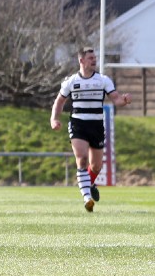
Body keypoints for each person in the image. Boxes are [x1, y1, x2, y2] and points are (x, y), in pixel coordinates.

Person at [51, 47, 132, 212]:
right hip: (78, 124)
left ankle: (90, 183)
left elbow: (115, 99)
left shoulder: (103, 80)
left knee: (96, 166)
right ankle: (87, 198)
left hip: (96, 126)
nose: (94, 60)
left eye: (95, 58)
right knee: (81, 159)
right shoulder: (71, 81)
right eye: (90, 58)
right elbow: (59, 102)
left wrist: (124, 100)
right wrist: (54, 119)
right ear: (81, 60)